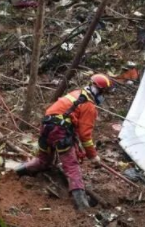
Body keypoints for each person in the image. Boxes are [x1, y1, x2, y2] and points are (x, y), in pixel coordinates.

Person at [15, 74, 113, 210]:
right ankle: (83, 207)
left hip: (46, 127)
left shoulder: (75, 93)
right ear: (99, 90)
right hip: (60, 132)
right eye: (104, 93)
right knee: (72, 167)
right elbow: (85, 135)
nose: (104, 96)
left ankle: (16, 172)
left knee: (43, 160)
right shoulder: (89, 106)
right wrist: (93, 155)